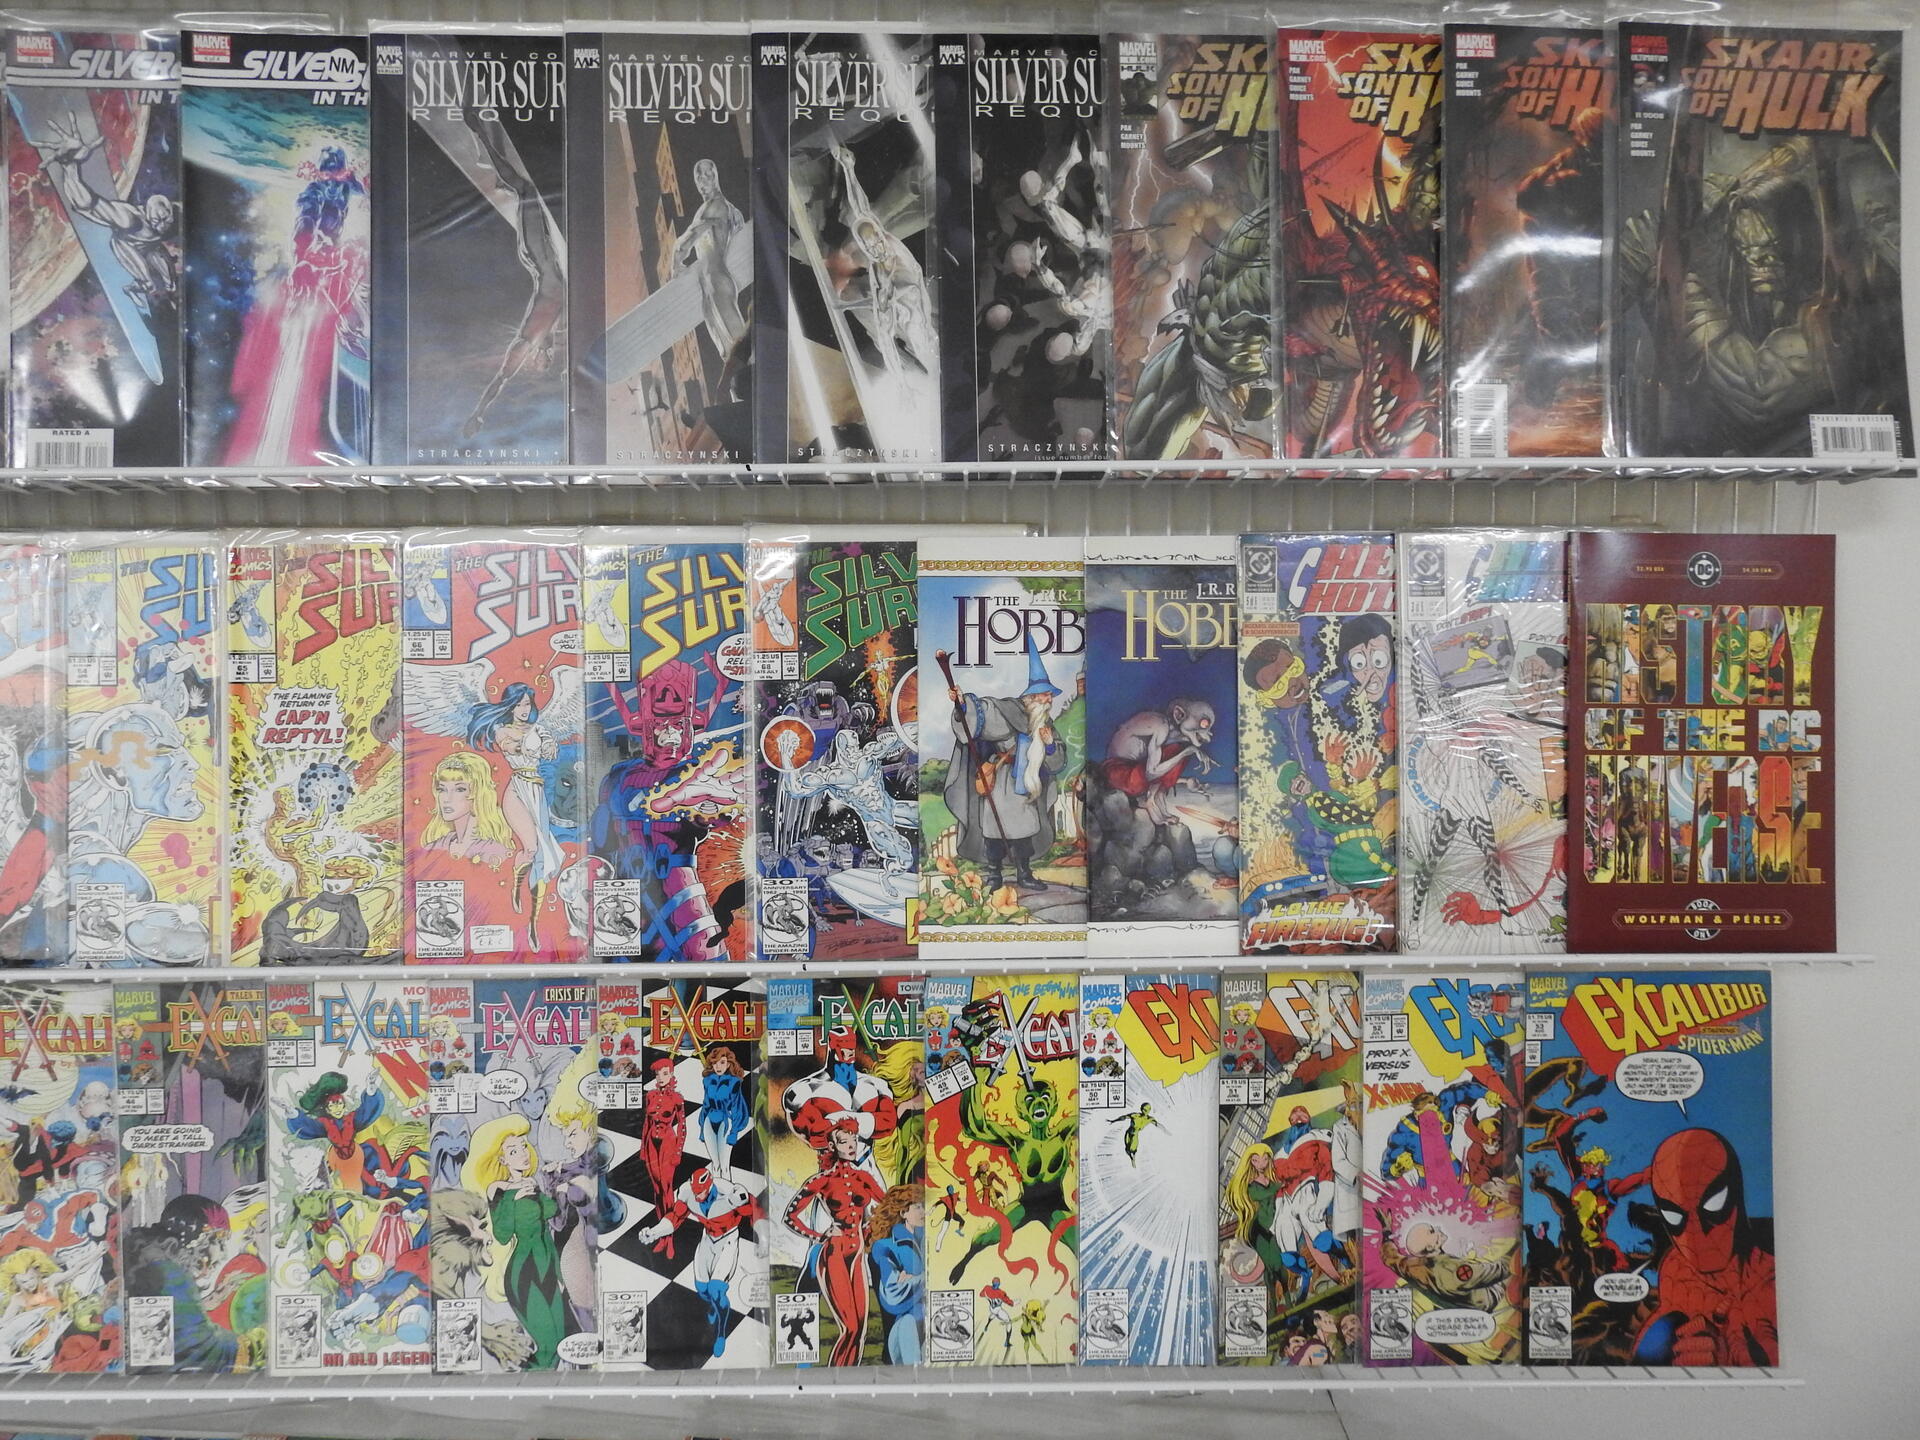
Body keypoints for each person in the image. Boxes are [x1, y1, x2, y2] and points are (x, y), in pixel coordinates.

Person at [465, 1113, 569, 1370]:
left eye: (523, 1146)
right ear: (502, 1159)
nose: (523, 1153)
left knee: (559, 1341)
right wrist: (514, 1199)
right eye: (513, 1151)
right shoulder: (499, 1190)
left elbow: (551, 1213)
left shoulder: (531, 1182)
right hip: (523, 1272)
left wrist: (558, 1274)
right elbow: (502, 1234)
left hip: (547, 1265)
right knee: (547, 1343)